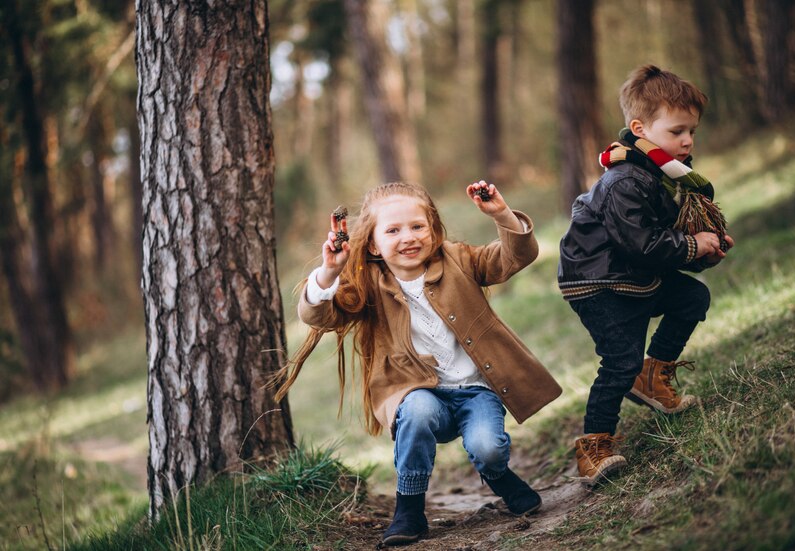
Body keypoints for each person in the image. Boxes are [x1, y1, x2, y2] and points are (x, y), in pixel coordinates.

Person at [275, 180, 562, 546]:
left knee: (488, 447)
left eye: (417, 226)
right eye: (393, 230)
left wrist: (501, 214)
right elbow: (319, 317)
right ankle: (409, 508)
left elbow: (515, 257)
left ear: (433, 228)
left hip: (476, 392)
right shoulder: (368, 286)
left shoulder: (459, 260)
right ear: (374, 244)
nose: (408, 237)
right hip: (418, 394)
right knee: (419, 410)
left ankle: (500, 476)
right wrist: (330, 272)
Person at [557, 65, 735, 486]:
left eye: (692, 131)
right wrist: (691, 246)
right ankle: (594, 446)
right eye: (677, 131)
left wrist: (701, 253)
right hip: (597, 282)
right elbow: (639, 243)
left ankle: (654, 376)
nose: (688, 140)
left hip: (632, 273)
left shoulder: (666, 176)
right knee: (619, 362)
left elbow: (658, 243)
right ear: (640, 127)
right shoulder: (625, 180)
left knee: (692, 299)